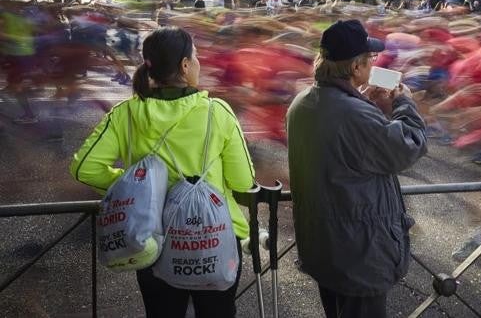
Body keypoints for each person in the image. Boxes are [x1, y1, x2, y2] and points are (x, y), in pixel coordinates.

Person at [70, 26, 255, 318]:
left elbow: (84, 169)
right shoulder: (216, 112)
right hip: (216, 237)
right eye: (195, 57)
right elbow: (244, 183)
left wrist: (136, 186)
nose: (198, 62)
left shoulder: (125, 114)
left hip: (153, 241)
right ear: (184, 65)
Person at [286, 19, 427, 318]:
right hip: (359, 253)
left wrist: (365, 101)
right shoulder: (354, 114)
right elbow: (409, 145)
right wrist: (404, 104)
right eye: (370, 59)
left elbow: (344, 148)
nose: (374, 63)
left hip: (323, 245)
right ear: (355, 68)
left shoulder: (301, 103)